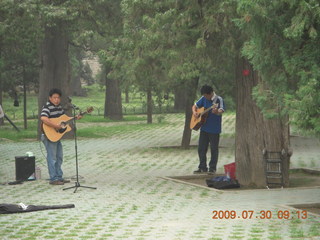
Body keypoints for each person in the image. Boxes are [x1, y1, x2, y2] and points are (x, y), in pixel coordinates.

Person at [40, 88, 80, 185]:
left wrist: (76, 117)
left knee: (59, 157)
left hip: (56, 136)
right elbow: (43, 118)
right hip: (48, 135)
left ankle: (59, 177)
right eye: (54, 98)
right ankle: (53, 179)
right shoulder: (47, 107)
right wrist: (56, 126)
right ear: (50, 98)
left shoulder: (59, 108)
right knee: (52, 157)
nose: (56, 100)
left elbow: (64, 120)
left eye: (58, 98)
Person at [192, 85, 225, 174]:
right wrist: (195, 112)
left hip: (214, 129)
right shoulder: (203, 98)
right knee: (201, 148)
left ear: (210, 93)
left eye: (206, 95)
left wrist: (217, 112)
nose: (205, 97)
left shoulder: (218, 99)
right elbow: (195, 106)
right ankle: (202, 167)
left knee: (214, 149)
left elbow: (221, 110)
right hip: (204, 128)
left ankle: (212, 168)